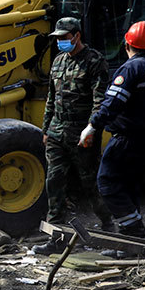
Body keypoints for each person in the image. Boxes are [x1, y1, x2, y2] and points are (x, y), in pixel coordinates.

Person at [80, 21, 145, 239]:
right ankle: (130, 244)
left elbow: (113, 104)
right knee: (129, 188)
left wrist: (92, 126)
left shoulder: (130, 69)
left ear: (127, 44)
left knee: (107, 183)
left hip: (126, 140)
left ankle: (136, 232)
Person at [33, 17, 113, 255]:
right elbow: (51, 98)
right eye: (57, 38)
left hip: (81, 134)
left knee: (90, 183)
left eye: (64, 37)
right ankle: (55, 238)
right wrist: (46, 129)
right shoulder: (58, 61)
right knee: (54, 183)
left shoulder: (95, 61)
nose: (60, 42)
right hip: (57, 132)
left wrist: (91, 129)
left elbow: (99, 100)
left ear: (77, 36)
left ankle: (109, 226)